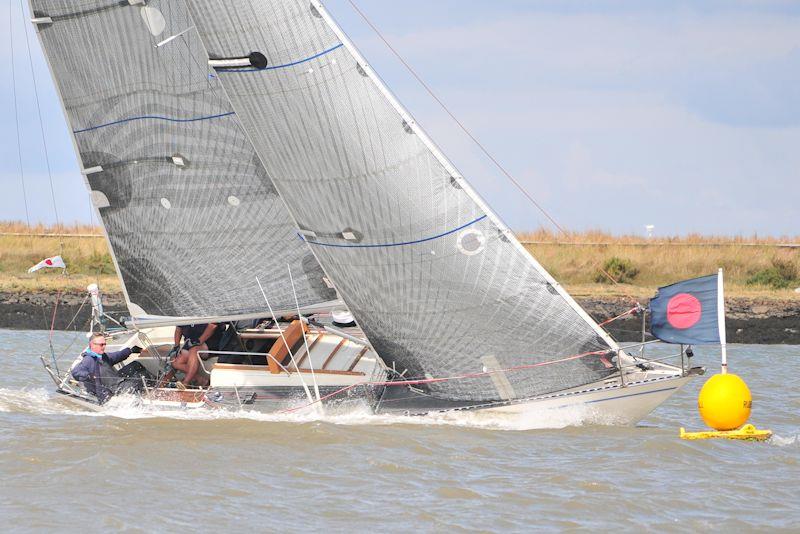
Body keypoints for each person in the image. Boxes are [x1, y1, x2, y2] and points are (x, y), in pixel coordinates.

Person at [71, 333, 148, 403]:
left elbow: (117, 355)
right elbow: (76, 372)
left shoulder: (103, 356)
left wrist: (131, 350)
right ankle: (147, 398)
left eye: (104, 344)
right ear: (92, 345)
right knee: (138, 381)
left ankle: (150, 389)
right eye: (101, 345)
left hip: (115, 381)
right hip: (110, 390)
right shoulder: (88, 359)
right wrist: (89, 375)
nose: (104, 347)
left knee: (136, 364)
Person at [170, 323, 219, 388]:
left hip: (210, 342)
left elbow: (213, 326)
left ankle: (185, 382)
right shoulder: (183, 315)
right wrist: (176, 346)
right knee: (175, 362)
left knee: (194, 350)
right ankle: (202, 380)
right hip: (191, 343)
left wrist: (199, 341)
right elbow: (178, 329)